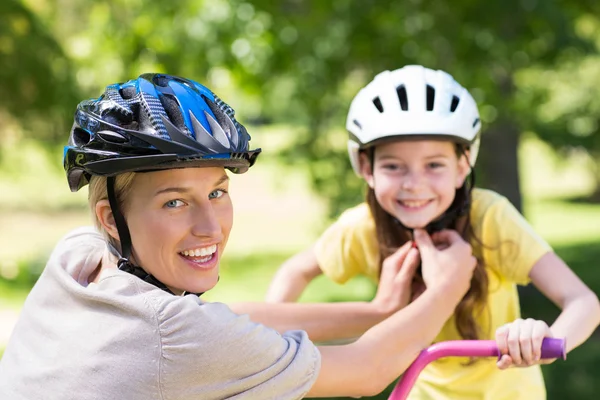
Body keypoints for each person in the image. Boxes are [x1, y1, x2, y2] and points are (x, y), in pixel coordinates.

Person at [0, 73, 478, 400]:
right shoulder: (178, 337)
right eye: (174, 201)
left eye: (218, 192)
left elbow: (227, 322)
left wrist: (378, 310)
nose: (210, 226)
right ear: (110, 218)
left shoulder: (75, 261)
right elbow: (368, 369)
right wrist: (449, 284)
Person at [265, 65, 600, 399]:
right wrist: (265, 350)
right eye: (393, 166)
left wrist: (543, 337)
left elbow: (583, 301)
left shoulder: (489, 218)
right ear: (367, 168)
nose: (414, 184)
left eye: (434, 165)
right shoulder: (364, 226)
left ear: (462, 166)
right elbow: (296, 270)